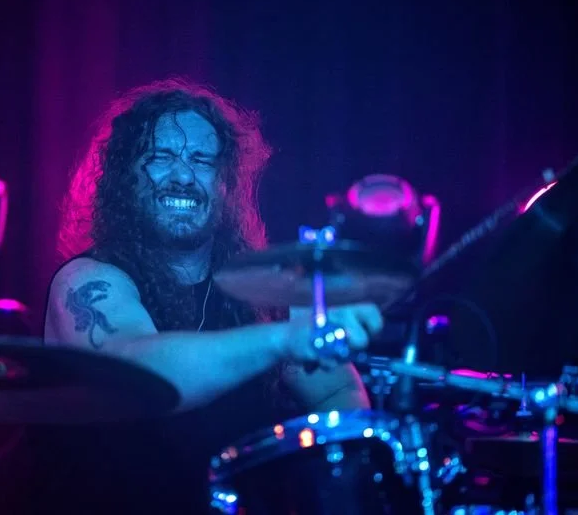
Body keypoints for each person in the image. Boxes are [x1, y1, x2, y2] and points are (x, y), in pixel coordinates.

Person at [41, 78, 383, 513]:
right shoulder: (87, 281)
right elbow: (137, 376)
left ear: (226, 185)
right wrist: (283, 339)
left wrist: (333, 484)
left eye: (202, 160)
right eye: (161, 157)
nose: (183, 175)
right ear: (124, 176)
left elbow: (339, 397)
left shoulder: (262, 295)